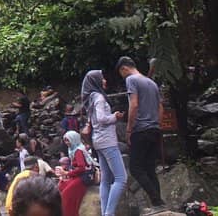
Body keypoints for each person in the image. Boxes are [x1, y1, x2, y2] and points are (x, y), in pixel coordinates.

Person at [117, 56, 164, 207]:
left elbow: (134, 105)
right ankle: (158, 204)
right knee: (150, 168)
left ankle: (157, 200)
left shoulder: (131, 80)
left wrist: (129, 129)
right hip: (154, 129)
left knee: (135, 168)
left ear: (124, 68)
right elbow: (160, 107)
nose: (123, 76)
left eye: (121, 73)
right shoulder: (151, 83)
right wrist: (157, 125)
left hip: (141, 129)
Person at [81, 70, 126, 216]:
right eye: (102, 78)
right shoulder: (99, 98)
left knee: (105, 180)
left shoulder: (91, 98)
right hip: (107, 141)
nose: (105, 80)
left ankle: (105, 213)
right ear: (96, 81)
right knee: (121, 178)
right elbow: (101, 119)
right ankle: (109, 213)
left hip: (98, 141)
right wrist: (115, 116)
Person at [57, 130, 94, 216]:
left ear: (74, 139)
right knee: (62, 185)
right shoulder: (73, 150)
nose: (67, 143)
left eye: (68, 140)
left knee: (66, 195)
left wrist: (66, 173)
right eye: (65, 140)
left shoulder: (78, 151)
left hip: (82, 178)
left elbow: (81, 168)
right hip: (77, 176)